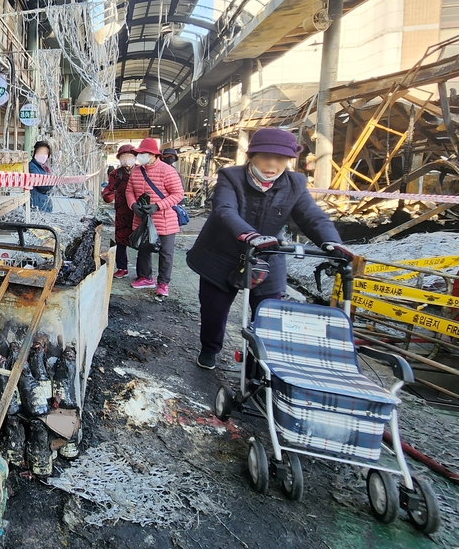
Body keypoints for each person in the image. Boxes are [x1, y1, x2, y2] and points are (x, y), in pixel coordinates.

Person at [186, 128, 348, 370]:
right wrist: (249, 235)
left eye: (281, 159)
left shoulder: (295, 183)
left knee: (268, 313)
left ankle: (256, 364)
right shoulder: (231, 177)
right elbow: (224, 210)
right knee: (214, 310)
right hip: (221, 253)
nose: (272, 164)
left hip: (268, 255)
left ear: (289, 161)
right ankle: (210, 349)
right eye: (265, 156)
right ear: (252, 156)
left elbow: (312, 217)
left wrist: (331, 242)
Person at [125, 138, 184, 298]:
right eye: (139, 153)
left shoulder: (167, 171)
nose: (140, 156)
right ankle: (145, 277)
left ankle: (163, 283)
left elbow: (178, 194)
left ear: (153, 155)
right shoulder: (136, 171)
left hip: (164, 219)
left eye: (143, 153)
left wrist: (158, 206)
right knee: (143, 248)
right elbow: (129, 191)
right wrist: (133, 205)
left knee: (166, 252)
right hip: (142, 218)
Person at [102, 144, 137, 278]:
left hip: (138, 211)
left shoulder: (142, 171)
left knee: (142, 240)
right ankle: (122, 267)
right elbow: (108, 190)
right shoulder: (115, 174)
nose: (126, 159)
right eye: (123, 157)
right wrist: (107, 196)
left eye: (129, 156)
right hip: (122, 211)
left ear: (134, 157)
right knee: (121, 240)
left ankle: (144, 273)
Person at [29, 141, 54, 212]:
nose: (43, 155)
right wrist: (52, 182)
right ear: (34, 153)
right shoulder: (31, 166)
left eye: (45, 153)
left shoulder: (45, 168)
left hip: (45, 205)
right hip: (36, 206)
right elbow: (41, 184)